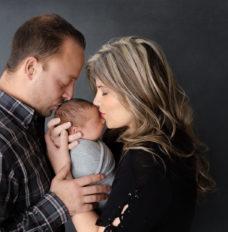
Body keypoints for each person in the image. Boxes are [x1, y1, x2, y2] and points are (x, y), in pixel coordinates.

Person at [0, 14, 110, 232]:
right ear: (31, 68)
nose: (70, 95)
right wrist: (59, 204)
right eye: (64, 82)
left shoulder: (28, 125)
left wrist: (59, 161)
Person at [46, 36, 216, 232]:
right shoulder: (132, 139)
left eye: (104, 92)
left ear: (134, 91)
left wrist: (64, 176)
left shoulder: (147, 158)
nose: (96, 101)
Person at [54, 98, 115, 212]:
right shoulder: (86, 152)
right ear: (77, 131)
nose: (103, 121)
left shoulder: (76, 148)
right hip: (109, 206)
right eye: (98, 119)